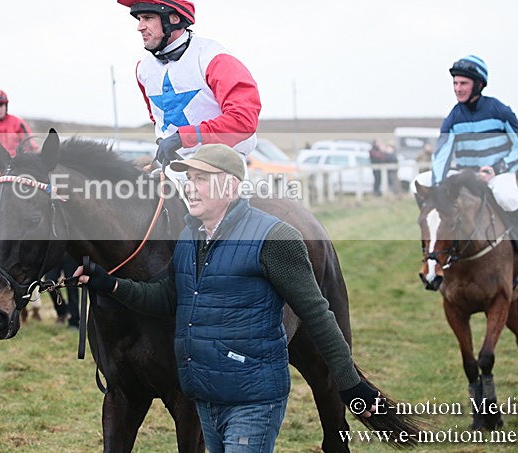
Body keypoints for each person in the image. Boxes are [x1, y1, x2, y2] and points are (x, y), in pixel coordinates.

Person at [73, 144, 381, 452]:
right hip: (208, 398)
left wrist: (351, 383)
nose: (190, 189)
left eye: (201, 180)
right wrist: (109, 284)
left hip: (253, 399)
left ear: (230, 185)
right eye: (189, 180)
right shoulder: (191, 238)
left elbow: (317, 315)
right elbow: (165, 297)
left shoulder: (275, 238)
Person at [117, 0, 261, 169]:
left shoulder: (215, 59)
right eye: (139, 19)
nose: (140, 27)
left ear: (174, 18)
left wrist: (185, 137)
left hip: (220, 166)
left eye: (148, 18)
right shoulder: (143, 68)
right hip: (173, 167)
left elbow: (243, 121)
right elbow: (159, 120)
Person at [415, 55, 518, 260]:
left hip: (496, 174)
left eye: (463, 83)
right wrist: (439, 185)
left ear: (478, 85)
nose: (458, 88)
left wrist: (497, 168)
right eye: (455, 83)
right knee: (419, 182)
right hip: (464, 175)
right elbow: (442, 154)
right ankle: (436, 227)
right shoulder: (453, 118)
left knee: (508, 196)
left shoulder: (500, 110)